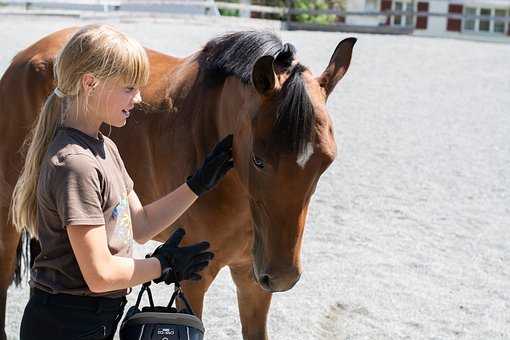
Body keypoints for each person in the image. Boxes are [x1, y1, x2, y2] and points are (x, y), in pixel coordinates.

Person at [9, 24, 234, 340]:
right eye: (129, 88)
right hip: (66, 325)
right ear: (90, 83)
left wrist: (196, 185)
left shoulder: (105, 147)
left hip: (93, 319)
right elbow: (99, 275)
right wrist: (162, 265)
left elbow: (139, 226)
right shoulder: (75, 165)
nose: (139, 98)